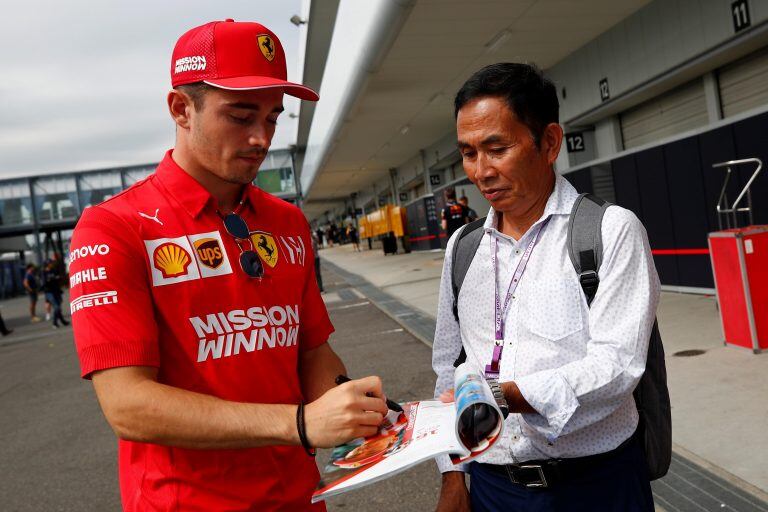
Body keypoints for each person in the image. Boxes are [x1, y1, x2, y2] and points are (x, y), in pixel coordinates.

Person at [68, 20, 390, 511]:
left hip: (301, 497)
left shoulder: (287, 221)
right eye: (240, 116)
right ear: (181, 108)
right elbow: (128, 406)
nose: (262, 138)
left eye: (273, 117)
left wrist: (360, 410)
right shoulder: (113, 228)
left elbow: (311, 351)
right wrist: (300, 424)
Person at [432, 63, 659, 511]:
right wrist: (453, 477)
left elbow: (618, 365)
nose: (480, 171)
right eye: (469, 153)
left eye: (497, 148)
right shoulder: (463, 246)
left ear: (549, 142)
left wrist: (512, 397)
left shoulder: (609, 231)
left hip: (596, 485)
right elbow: (449, 365)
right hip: (493, 487)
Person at [42, 259, 69, 329]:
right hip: (49, 292)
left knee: (59, 307)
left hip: (56, 291)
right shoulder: (44, 272)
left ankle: (62, 321)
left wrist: (58, 278)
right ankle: (54, 323)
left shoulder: (54, 270)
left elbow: (58, 278)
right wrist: (50, 279)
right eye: (50, 263)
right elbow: (44, 282)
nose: (52, 264)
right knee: (56, 307)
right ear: (47, 264)